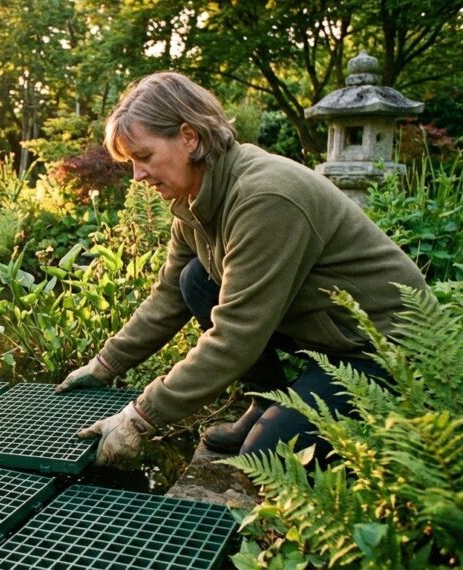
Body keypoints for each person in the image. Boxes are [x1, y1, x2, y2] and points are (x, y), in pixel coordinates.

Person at [54, 71, 428, 467]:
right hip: (329, 331)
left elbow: (236, 334)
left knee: (269, 457)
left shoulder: (266, 197)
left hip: (380, 348)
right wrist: (105, 364)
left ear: (189, 136)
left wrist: (140, 416)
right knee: (195, 280)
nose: (137, 175)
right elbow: (167, 298)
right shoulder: (194, 202)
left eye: (144, 157)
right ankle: (263, 398)